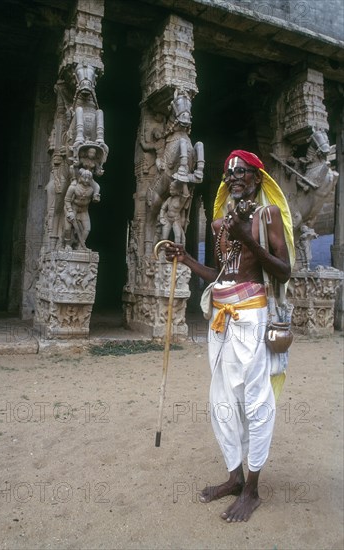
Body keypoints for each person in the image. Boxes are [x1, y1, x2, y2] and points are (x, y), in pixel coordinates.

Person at [164, 149, 295, 522]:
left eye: (242, 172)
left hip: (251, 317)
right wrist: (186, 258)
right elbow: (221, 275)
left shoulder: (266, 216)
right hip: (220, 317)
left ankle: (252, 490)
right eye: (229, 173)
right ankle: (235, 478)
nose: (235, 176)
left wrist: (249, 239)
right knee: (221, 400)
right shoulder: (221, 225)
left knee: (255, 401)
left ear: (257, 178)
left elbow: (283, 271)